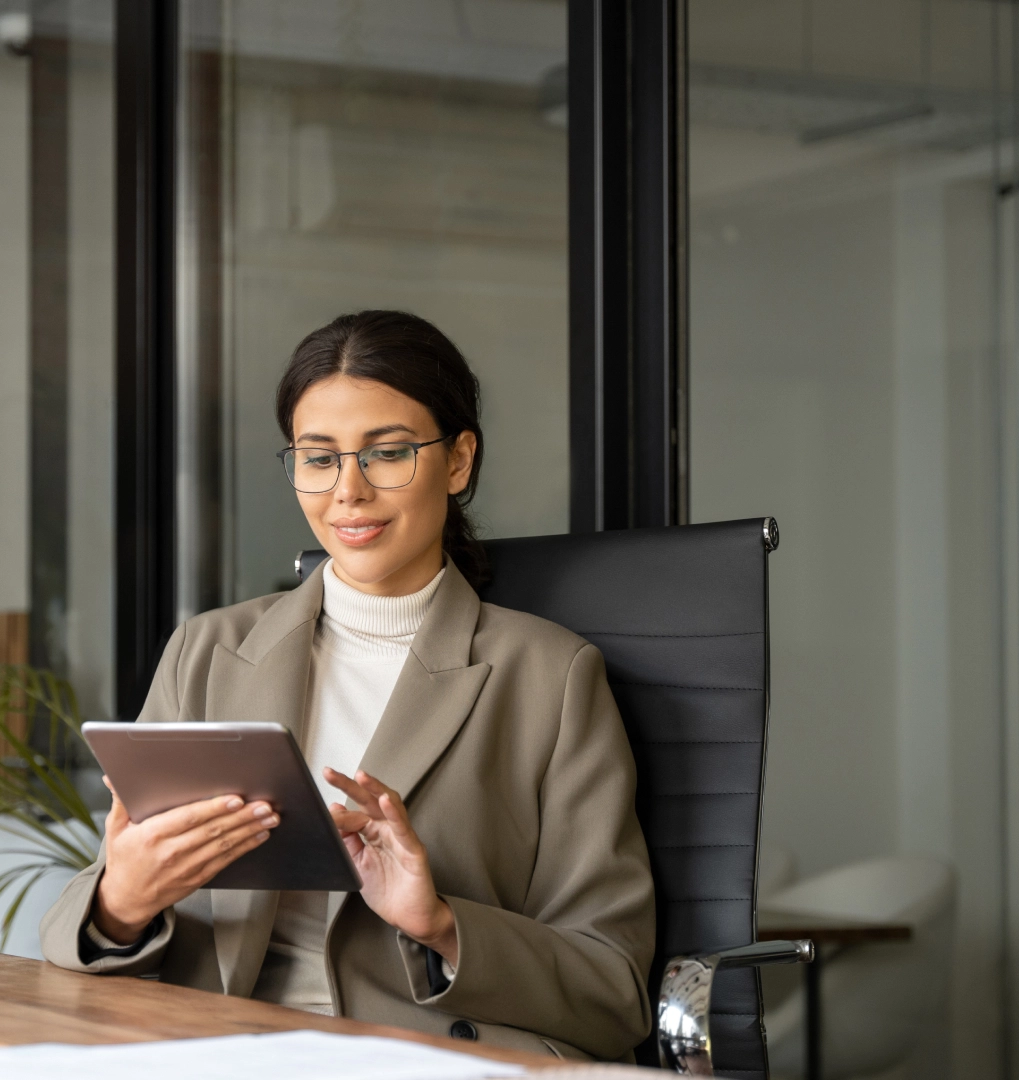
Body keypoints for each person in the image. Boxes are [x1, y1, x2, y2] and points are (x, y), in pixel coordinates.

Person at [39, 310, 654, 1061]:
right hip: (213, 1050)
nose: (349, 493)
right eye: (319, 458)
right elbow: (76, 935)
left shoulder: (549, 678)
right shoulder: (209, 651)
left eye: (389, 453)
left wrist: (442, 924)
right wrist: (121, 903)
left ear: (459, 461)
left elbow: (614, 987)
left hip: (422, 1055)